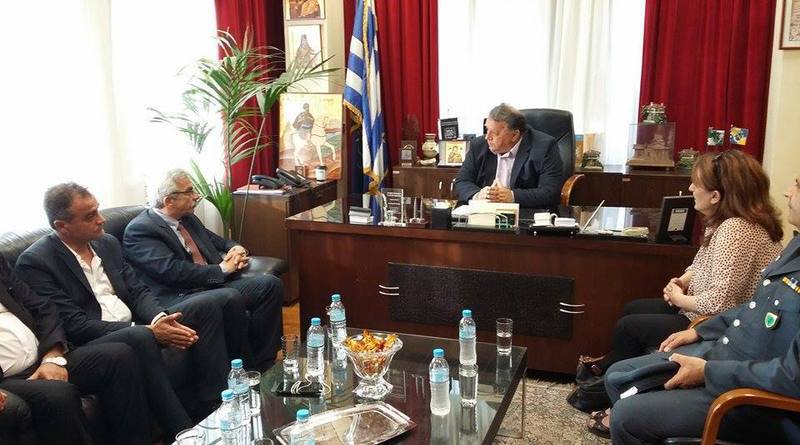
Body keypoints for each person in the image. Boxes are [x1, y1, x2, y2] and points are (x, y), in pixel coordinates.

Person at [597, 173, 800, 444]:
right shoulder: (795, 247)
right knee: (617, 377)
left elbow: (792, 378)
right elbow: (752, 308)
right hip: (723, 354)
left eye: (797, 185)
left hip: (750, 398)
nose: (788, 192)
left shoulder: (737, 229)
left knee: (625, 415)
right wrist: (700, 331)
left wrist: (708, 372)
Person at [15, 183, 231, 433]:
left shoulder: (107, 243)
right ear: (62, 226)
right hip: (94, 339)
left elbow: (137, 290)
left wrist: (159, 319)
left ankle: (217, 405)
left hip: (139, 325)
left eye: (98, 210)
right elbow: (74, 324)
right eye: (90, 216)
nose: (101, 219)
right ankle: (182, 431)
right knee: (140, 337)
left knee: (209, 304)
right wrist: (146, 329)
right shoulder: (37, 262)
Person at [578, 150, 783, 384]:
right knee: (633, 308)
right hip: (704, 311)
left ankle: (609, 381)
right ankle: (613, 372)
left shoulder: (735, 229)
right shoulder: (728, 221)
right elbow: (701, 264)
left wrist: (678, 298)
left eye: (696, 184)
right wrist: (681, 281)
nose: (690, 189)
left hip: (714, 324)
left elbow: (721, 303)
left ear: (715, 196)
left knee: (629, 327)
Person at [123, 169, 284, 371]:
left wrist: (236, 248)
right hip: (182, 295)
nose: (196, 196)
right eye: (189, 192)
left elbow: (218, 241)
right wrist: (222, 269)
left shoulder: (187, 218)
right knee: (229, 296)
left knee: (270, 285)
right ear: (169, 200)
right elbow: (172, 272)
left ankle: (264, 363)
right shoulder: (141, 230)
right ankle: (245, 369)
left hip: (210, 286)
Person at [0, 255, 151, 444]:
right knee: (57, 395)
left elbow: (42, 308)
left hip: (44, 357)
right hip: (9, 379)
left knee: (118, 356)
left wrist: (52, 356)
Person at [454, 103, 564, 208]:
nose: (487, 137)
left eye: (495, 133)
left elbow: (550, 192)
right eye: (487, 130)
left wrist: (512, 196)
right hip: (484, 212)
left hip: (524, 212)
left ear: (515, 135)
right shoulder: (479, 145)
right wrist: (478, 195)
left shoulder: (544, 147)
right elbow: (462, 180)